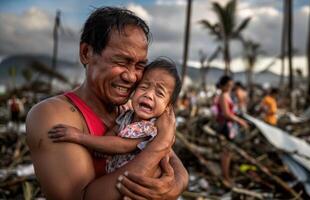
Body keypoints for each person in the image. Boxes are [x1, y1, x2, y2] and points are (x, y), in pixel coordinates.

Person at [26, 7, 188, 199]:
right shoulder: (52, 115)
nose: (131, 76)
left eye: (139, 66)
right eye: (121, 62)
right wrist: (161, 142)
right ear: (86, 53)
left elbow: (178, 169)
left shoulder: (130, 112)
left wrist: (177, 184)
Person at [47, 58, 181, 176]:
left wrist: (80, 137)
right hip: (113, 178)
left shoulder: (150, 128)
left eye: (159, 93)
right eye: (144, 87)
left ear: (168, 106)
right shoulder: (127, 116)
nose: (149, 95)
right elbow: (113, 133)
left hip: (133, 182)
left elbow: (122, 145)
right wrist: (100, 148)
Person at [214, 75, 249, 186]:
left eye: (231, 85)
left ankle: (227, 175)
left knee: (228, 152)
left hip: (228, 126)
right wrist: (240, 121)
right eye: (228, 85)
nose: (230, 87)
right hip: (224, 126)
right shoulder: (223, 96)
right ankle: (226, 177)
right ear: (223, 85)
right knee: (226, 152)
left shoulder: (227, 95)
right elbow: (226, 114)